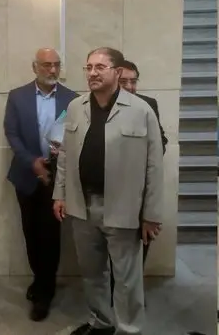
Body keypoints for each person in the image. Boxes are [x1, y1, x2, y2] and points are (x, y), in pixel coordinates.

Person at [53, 47, 164, 335]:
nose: (92, 73)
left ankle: (129, 330)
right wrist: (59, 194)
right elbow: (65, 154)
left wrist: (151, 214)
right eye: (88, 67)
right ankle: (101, 323)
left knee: (127, 279)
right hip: (82, 205)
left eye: (100, 67)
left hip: (124, 208)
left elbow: (154, 166)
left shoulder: (141, 110)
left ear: (117, 72)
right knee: (92, 274)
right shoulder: (76, 107)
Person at [3, 48, 78, 321]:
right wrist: (31, 161)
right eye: (46, 65)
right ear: (34, 67)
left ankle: (45, 292)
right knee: (31, 233)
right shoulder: (17, 96)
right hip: (26, 175)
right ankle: (40, 278)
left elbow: (75, 135)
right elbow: (11, 133)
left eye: (56, 65)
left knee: (50, 236)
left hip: (57, 177)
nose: (52, 70)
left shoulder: (72, 99)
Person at [110, 59, 168, 306]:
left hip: (140, 192)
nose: (130, 87)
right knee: (112, 251)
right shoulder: (101, 105)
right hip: (110, 193)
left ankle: (131, 296)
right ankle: (114, 296)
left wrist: (144, 154)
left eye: (134, 81)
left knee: (140, 245)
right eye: (124, 82)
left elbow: (161, 141)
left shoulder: (148, 105)